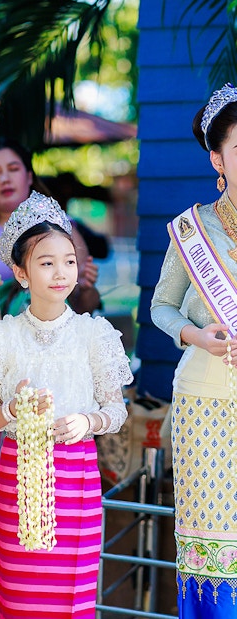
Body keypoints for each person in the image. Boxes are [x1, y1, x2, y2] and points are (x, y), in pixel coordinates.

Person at [0, 136, 101, 591]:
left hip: (34, 367)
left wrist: (83, 281)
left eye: (13, 168)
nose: (4, 178)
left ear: (28, 175)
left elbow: (85, 296)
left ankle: (10, 573)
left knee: (14, 472)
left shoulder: (56, 226)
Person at [0, 191, 133, 618]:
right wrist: (11, 412)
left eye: (69, 261)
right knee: (22, 598)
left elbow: (117, 412)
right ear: (21, 273)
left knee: (73, 599)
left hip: (76, 478)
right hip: (18, 477)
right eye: (46, 262)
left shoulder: (95, 335)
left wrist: (86, 419)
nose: (61, 272)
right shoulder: (2, 336)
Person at [151, 82, 237, 619]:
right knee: (215, 550)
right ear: (217, 157)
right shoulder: (192, 227)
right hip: (205, 405)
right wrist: (195, 335)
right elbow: (162, 307)